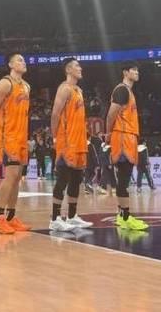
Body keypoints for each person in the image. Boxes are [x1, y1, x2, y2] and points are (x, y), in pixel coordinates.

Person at [0, 53, 32, 234]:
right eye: (19, 60)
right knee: (11, 175)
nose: (24, 62)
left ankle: (11, 217)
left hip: (21, 136)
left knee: (17, 177)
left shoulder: (27, 86)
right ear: (10, 64)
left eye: (24, 60)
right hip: (8, 136)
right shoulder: (5, 83)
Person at [48, 58, 93, 232]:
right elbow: (55, 115)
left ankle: (72, 216)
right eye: (77, 66)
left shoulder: (78, 90)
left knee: (76, 180)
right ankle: (54, 219)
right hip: (67, 141)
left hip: (79, 141)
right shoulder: (64, 88)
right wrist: (55, 138)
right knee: (62, 180)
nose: (80, 68)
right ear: (68, 69)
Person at [106, 61, 148, 231]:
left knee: (124, 178)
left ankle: (122, 215)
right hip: (122, 136)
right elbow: (111, 114)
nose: (137, 72)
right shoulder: (122, 90)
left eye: (138, 70)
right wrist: (108, 133)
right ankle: (125, 217)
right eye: (133, 70)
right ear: (125, 72)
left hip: (128, 136)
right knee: (124, 179)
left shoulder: (129, 91)